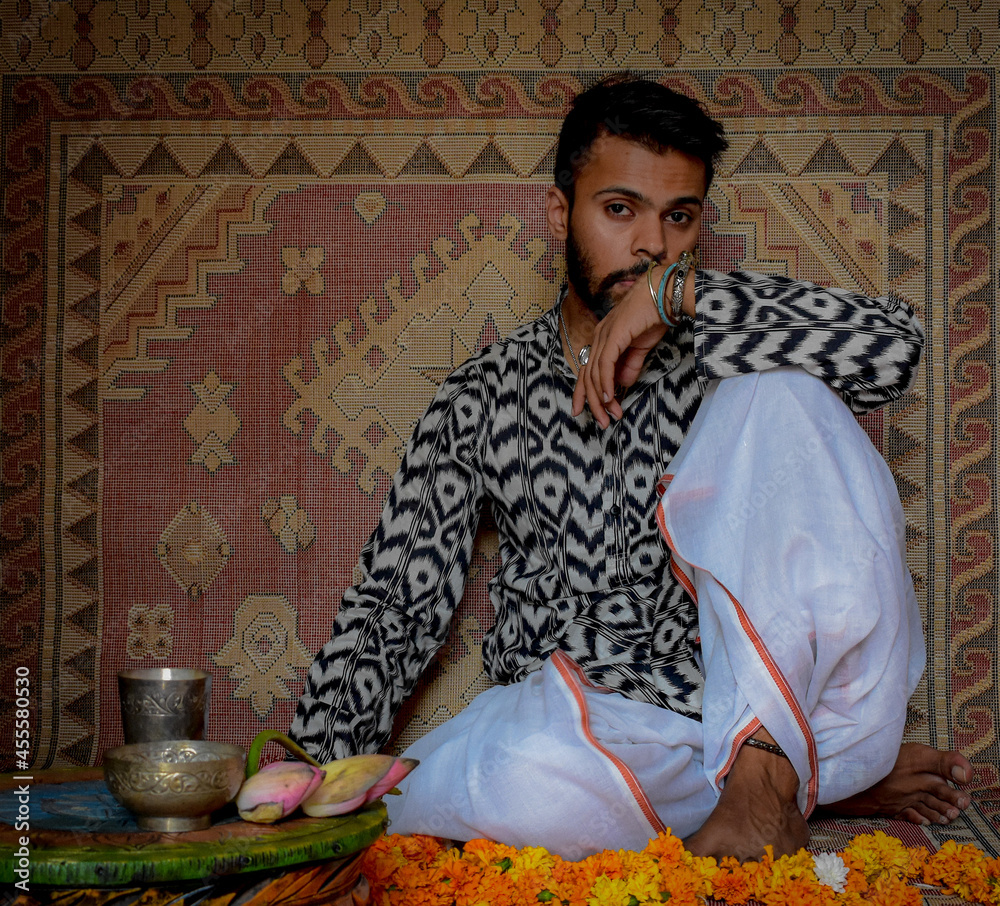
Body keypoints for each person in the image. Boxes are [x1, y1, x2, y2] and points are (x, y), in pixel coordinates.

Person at [291, 75, 972, 861]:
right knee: (501, 786)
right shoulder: (483, 395)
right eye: (620, 210)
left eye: (677, 219)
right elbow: (396, 603)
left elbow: (893, 351)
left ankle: (770, 779)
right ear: (561, 213)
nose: (652, 244)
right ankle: (817, 786)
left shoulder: (728, 350)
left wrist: (677, 298)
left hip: (743, 712)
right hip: (576, 732)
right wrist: (302, 779)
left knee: (787, 388)